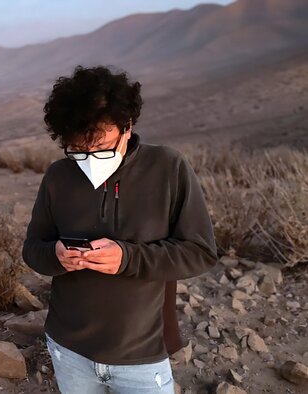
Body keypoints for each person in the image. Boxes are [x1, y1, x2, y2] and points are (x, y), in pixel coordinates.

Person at [22, 65, 218, 393]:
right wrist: (56, 256)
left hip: (141, 355)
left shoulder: (168, 168)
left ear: (127, 127)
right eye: (78, 151)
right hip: (68, 349)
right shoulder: (58, 176)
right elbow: (33, 249)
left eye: (102, 147)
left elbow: (200, 252)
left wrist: (127, 258)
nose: (89, 159)